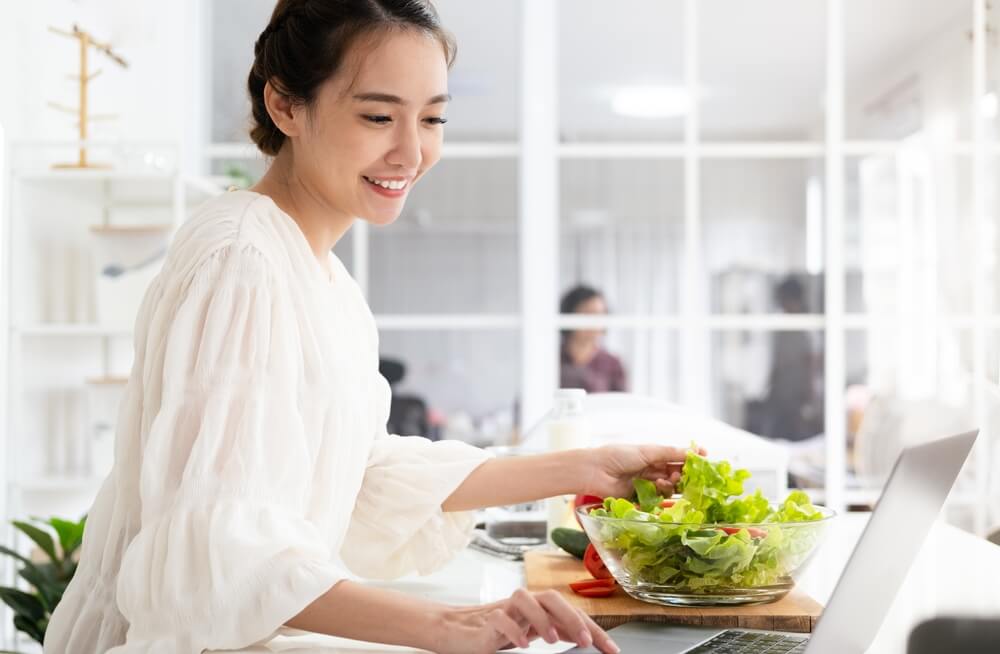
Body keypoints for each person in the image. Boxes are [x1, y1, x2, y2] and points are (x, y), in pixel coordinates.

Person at [44, 3, 692, 653]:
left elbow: (360, 473)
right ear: (286, 106)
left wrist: (589, 467)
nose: (411, 151)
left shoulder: (323, 279)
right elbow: (213, 543)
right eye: (378, 116)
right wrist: (445, 627)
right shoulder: (242, 259)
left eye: (433, 118)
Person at [761, 276, 821, 441]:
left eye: (784, 300)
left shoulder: (807, 326)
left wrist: (809, 394)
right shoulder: (784, 324)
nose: (782, 305)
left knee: (798, 432)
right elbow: (778, 359)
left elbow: (812, 360)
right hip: (781, 391)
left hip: (798, 393)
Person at [560, 284, 627, 393]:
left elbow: (623, 405)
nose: (595, 321)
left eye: (600, 314)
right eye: (588, 313)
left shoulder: (612, 364)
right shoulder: (551, 360)